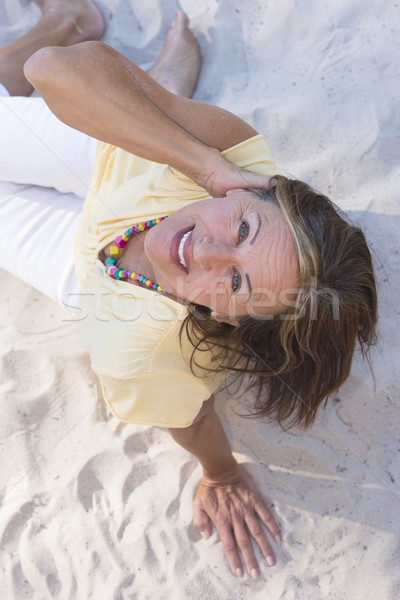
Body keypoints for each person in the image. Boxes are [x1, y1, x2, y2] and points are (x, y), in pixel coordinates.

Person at [0, 0, 377, 580]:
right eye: (244, 229)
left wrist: (220, 473)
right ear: (247, 191)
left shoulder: (143, 349)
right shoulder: (233, 157)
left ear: (228, 316)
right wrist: (201, 162)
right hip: (122, 161)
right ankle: (131, 73)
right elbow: (51, 71)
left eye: (236, 280)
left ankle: (147, 85)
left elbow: (191, 415)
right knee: (97, 93)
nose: (207, 250)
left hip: (85, 274)